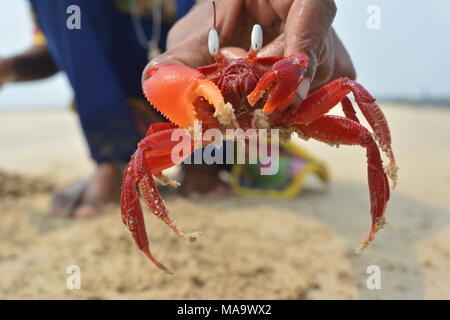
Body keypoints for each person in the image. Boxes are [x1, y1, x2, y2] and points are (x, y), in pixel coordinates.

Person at [0, 0, 355, 216]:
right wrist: (11, 68)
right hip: (154, 98)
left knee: (223, 14)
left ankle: (209, 163)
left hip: (220, 68)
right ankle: (114, 161)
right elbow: (58, 48)